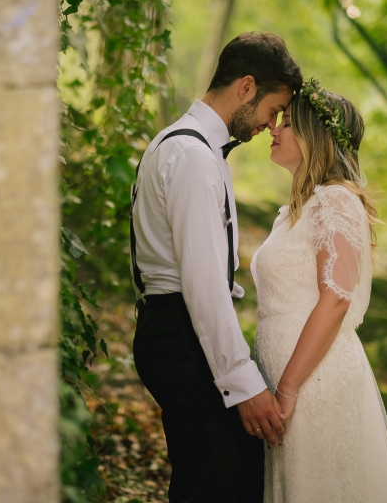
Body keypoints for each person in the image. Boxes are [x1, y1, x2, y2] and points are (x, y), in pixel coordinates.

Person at [130, 32, 302, 503]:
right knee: (215, 482)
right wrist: (243, 385)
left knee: (219, 474)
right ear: (246, 87)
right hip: (180, 331)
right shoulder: (191, 157)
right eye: (272, 111)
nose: (271, 126)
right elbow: (204, 286)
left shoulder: (191, 148)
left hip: (176, 328)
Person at [253, 77, 387, 502]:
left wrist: (287, 389)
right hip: (287, 382)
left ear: (315, 137)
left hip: (311, 384)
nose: (274, 128)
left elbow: (336, 297)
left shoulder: (335, 201)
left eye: (287, 122)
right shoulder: (297, 210)